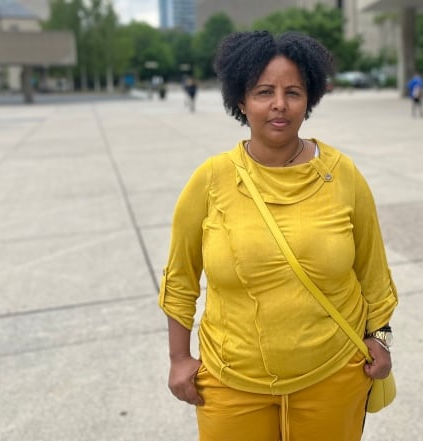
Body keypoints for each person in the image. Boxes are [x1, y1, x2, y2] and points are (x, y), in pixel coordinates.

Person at [158, 30, 398, 441]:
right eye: (263, 91)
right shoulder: (211, 179)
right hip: (231, 379)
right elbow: (180, 278)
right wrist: (179, 358)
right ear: (240, 100)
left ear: (310, 100)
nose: (279, 105)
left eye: (294, 92)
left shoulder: (343, 175)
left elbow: (372, 269)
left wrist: (380, 337)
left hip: (334, 372)